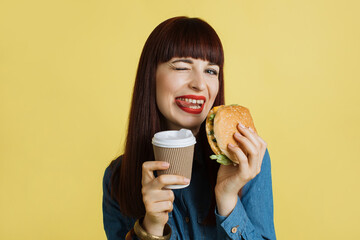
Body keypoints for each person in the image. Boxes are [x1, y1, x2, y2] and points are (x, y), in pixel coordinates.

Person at [102, 16, 276, 240]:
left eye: (211, 71)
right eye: (182, 67)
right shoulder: (118, 177)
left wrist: (228, 201)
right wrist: (152, 227)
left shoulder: (247, 160)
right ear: (150, 76)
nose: (200, 84)